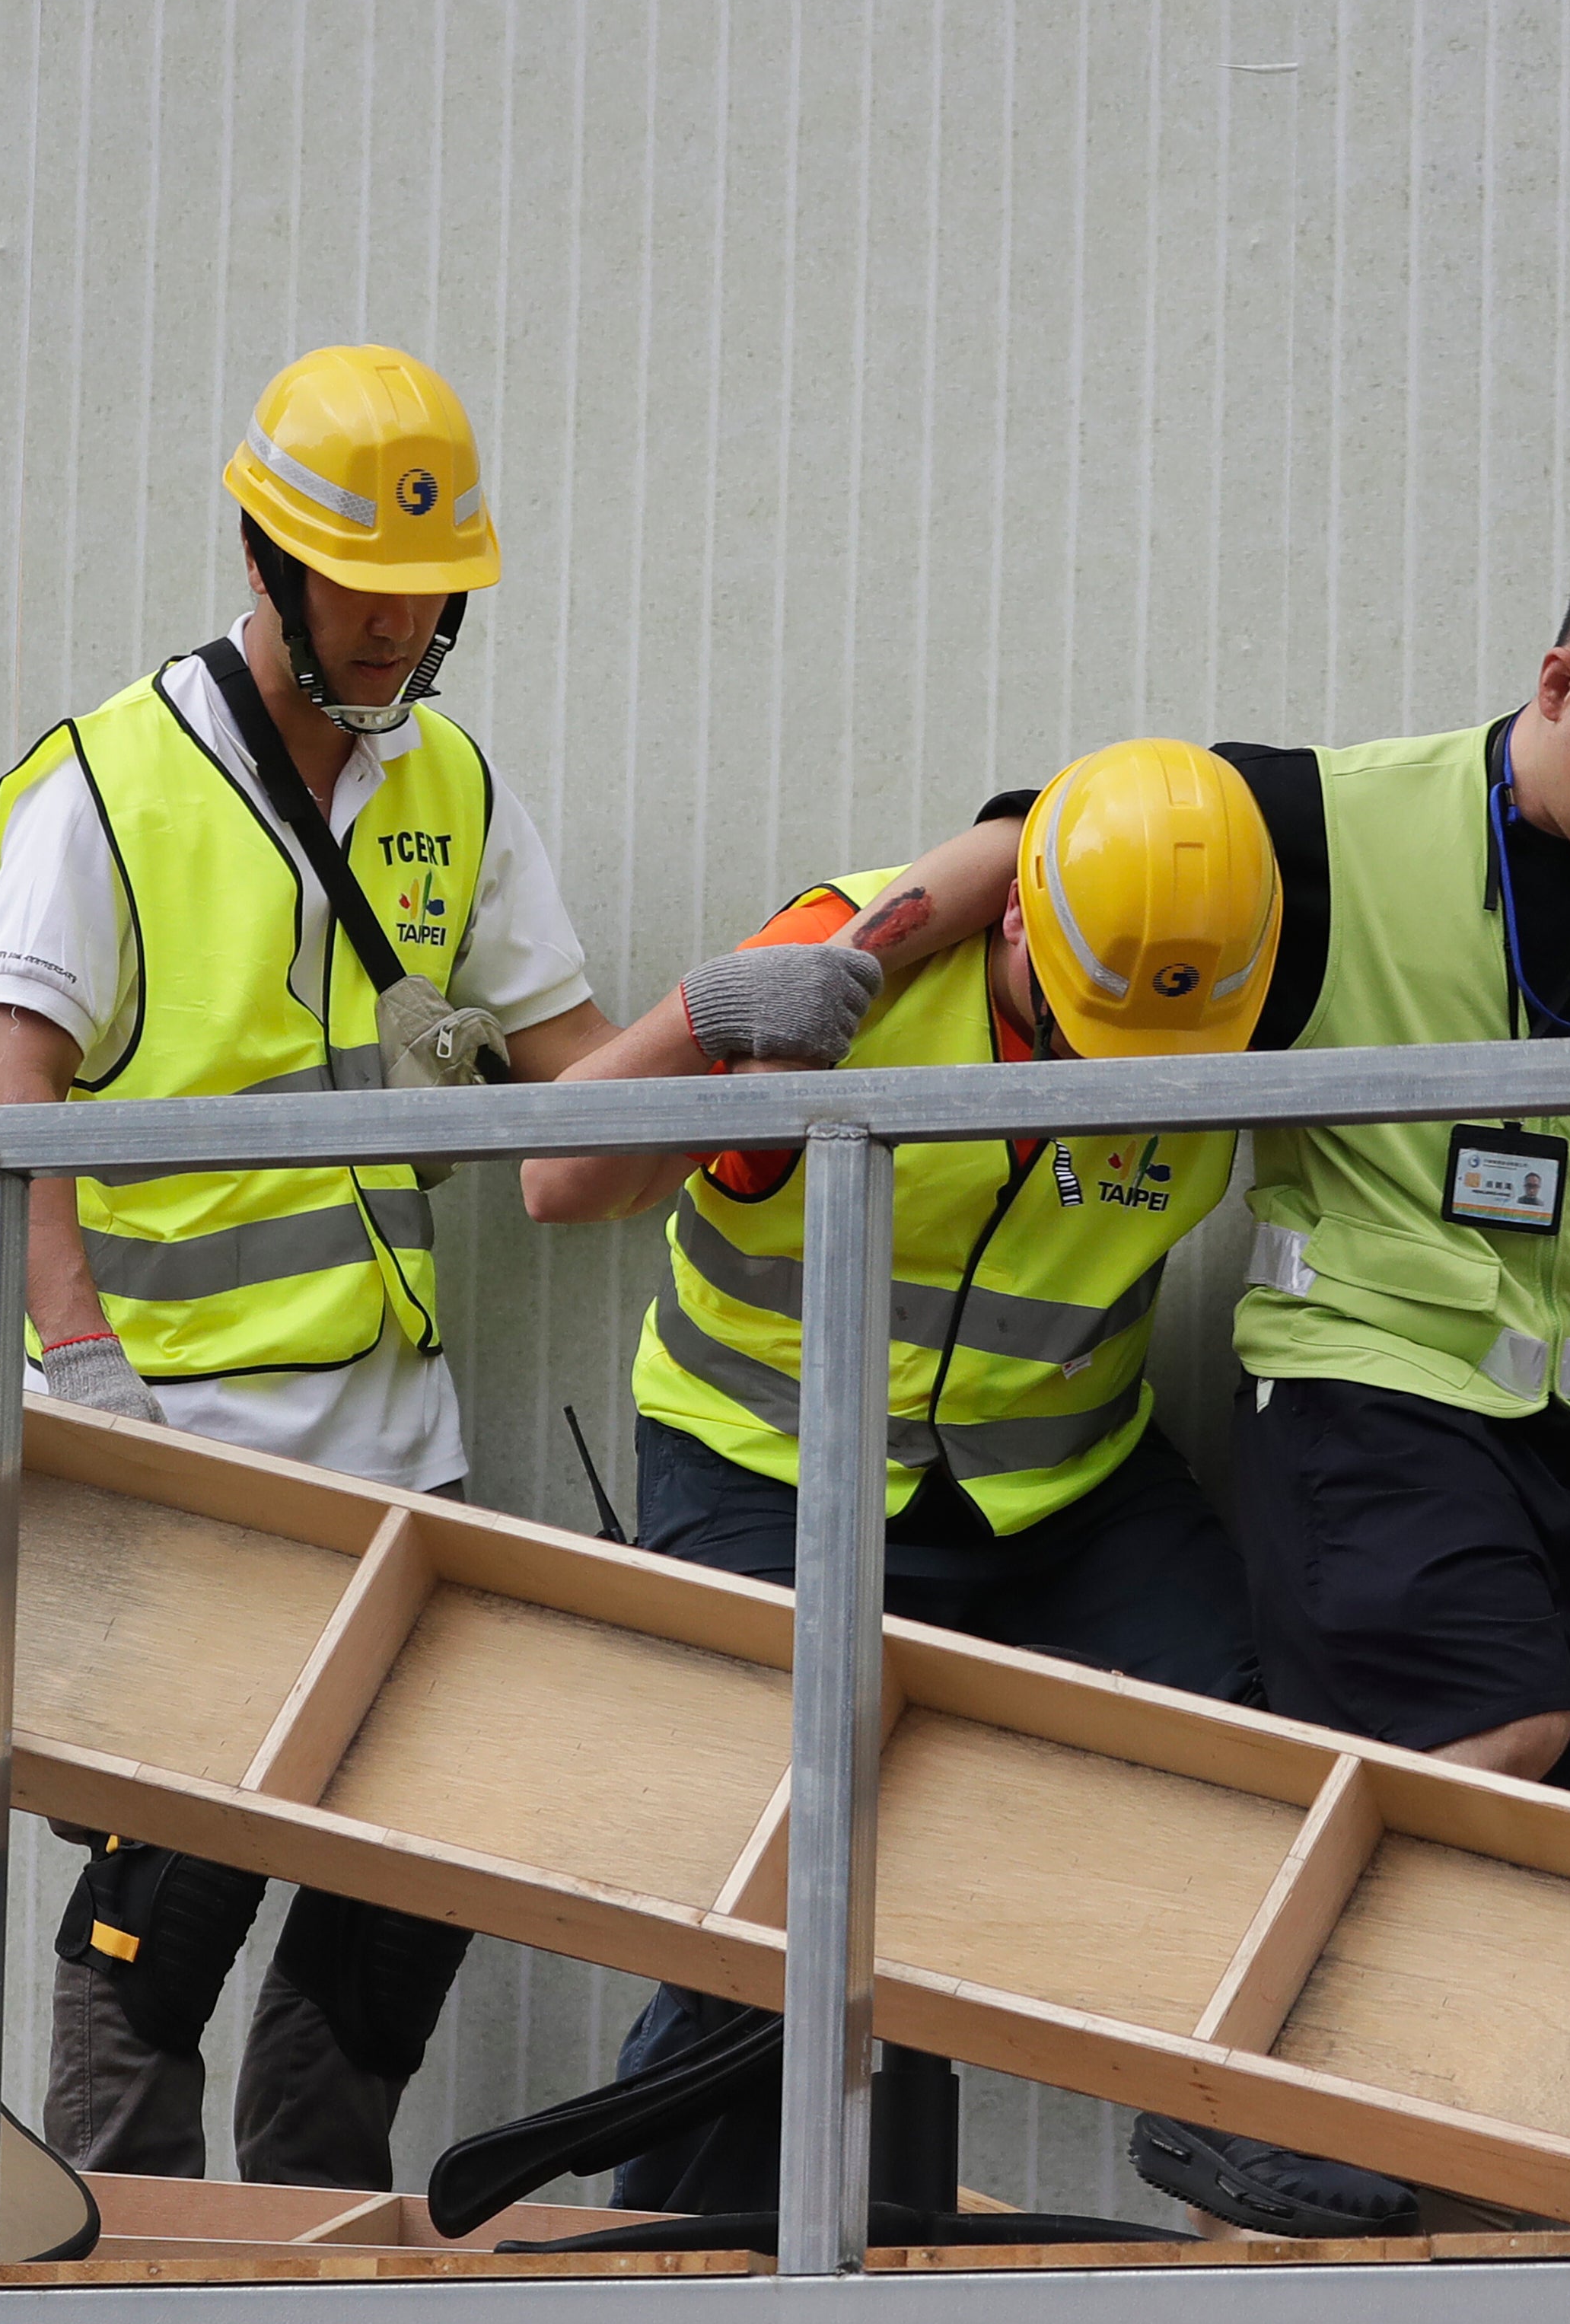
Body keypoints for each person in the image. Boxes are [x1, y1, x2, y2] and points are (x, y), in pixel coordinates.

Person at [0, 344, 1001, 2191]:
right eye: (363, 582)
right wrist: (81, 1377)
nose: (399, 622)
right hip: (187, 1440)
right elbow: (2, 1099)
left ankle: (308, 2229)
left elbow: (567, 1149)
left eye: (431, 590)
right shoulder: (110, 790)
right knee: (168, 1890)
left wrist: (722, 1033)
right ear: (270, 561)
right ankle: (111, 2255)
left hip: (395, 1446)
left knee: (408, 1883)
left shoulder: (443, 781)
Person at [933, 520, 1570, 2235]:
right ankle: (1250, 2096)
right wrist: (866, 937)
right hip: (1361, 1376)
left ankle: (1501, 2201)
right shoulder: (1322, 819)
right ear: (1560, 679)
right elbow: (1048, 836)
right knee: (1493, 1715)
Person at [516, 738, 1288, 2222]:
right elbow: (563, 1182)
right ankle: (672, 2247)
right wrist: (704, 1020)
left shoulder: (1209, 971)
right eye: (1072, 1038)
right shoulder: (844, 970)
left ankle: (1249, 2160)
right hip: (771, 1460)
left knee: (1243, 1753)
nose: (1097, 1086)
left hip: (1061, 1488)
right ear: (1015, 933)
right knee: (787, 1849)